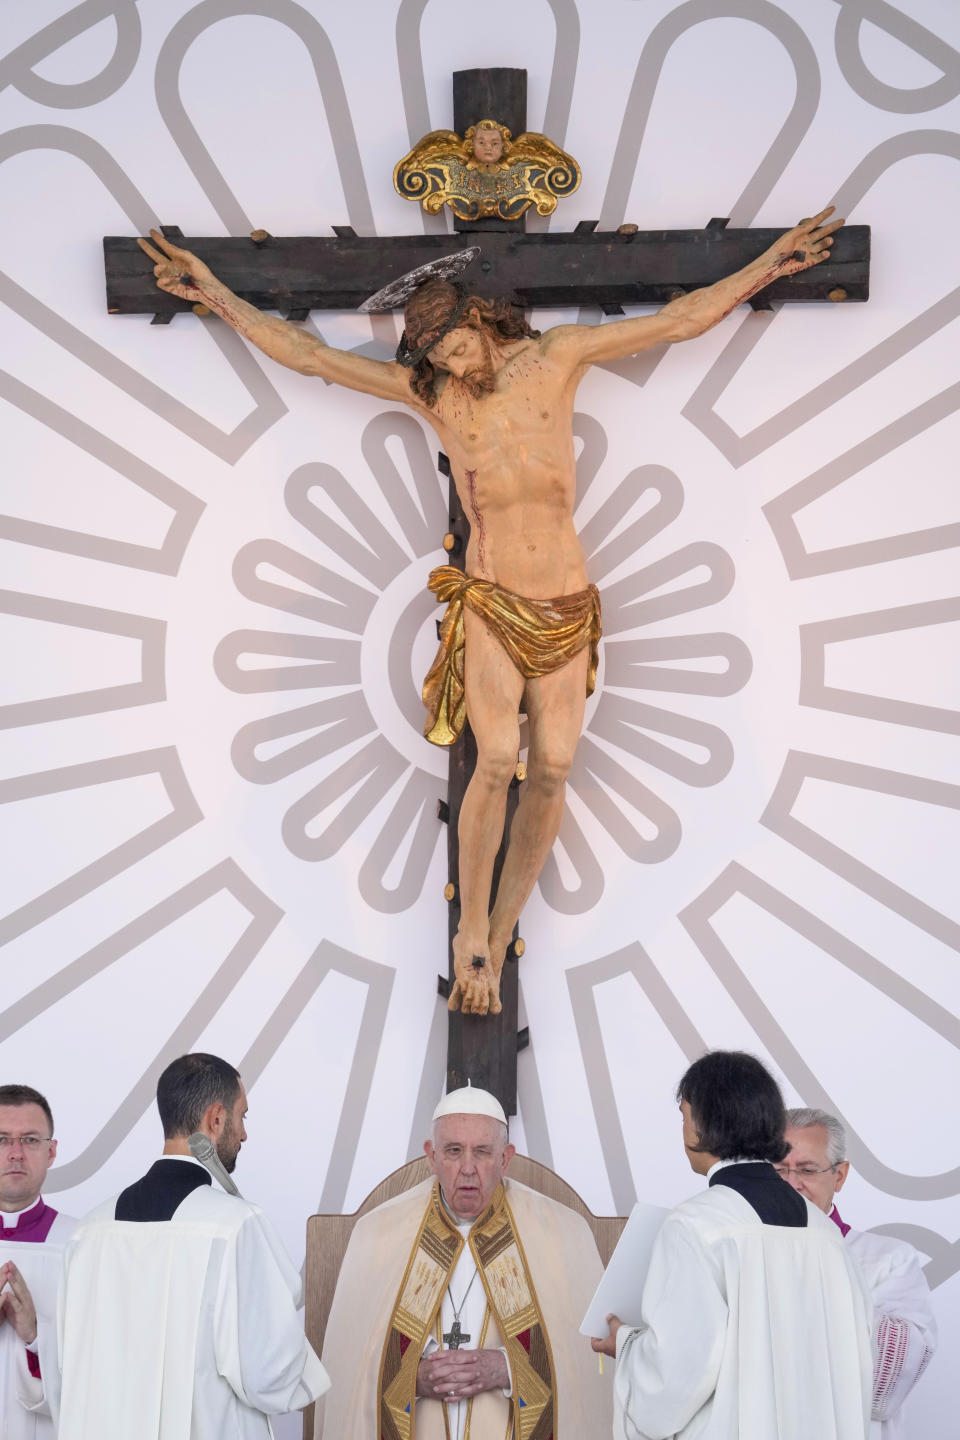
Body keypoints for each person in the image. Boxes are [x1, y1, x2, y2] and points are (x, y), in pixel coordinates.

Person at [137, 207, 844, 1016]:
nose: (448, 360)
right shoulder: (432, 395)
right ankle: (471, 929)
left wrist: (772, 265)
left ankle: (501, 933)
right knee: (498, 757)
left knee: (553, 769)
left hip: (567, 603)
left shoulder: (559, 359)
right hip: (492, 599)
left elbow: (680, 321)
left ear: (478, 320)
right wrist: (212, 292)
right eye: (433, 353)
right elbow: (309, 356)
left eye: (454, 344)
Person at [593, 1051, 873, 1439]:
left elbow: (676, 1375)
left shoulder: (696, 1224)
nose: (683, 1129)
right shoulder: (823, 1232)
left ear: (701, 1125)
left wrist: (625, 1343)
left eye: (684, 1115)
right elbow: (854, 1365)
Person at [56, 1052, 329, 1440]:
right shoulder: (236, 1225)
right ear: (216, 1119)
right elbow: (269, 1376)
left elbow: (64, 1370)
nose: (245, 1133)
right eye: (242, 1116)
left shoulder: (89, 1231)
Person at [316, 1083, 611, 1438]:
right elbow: (349, 1364)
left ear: (505, 1158)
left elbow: (590, 1364)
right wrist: (410, 1373)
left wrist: (508, 1368)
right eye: (454, 1151)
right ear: (431, 1156)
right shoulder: (377, 1234)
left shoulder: (563, 1234)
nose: (468, 1168)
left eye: (483, 1152)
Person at [782, 1107, 937, 1439]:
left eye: (806, 1170)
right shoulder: (734, 1249)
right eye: (778, 1170)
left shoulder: (889, 1259)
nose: (790, 1183)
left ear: (839, 1176)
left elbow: (886, 1389)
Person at [0, 1084, 75, 1440]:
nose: (15, 1153)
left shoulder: (81, 1245)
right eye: (1, 1139)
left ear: (51, 1151)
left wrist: (35, 1336)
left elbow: (100, 1372)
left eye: (29, 1140)